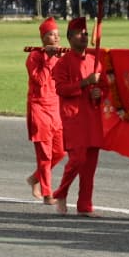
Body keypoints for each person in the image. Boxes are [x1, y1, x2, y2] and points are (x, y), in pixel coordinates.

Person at [52, 17, 108, 217]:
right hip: (73, 118)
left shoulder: (94, 61)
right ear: (69, 38)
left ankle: (85, 204)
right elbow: (61, 89)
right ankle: (61, 192)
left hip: (92, 117)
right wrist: (85, 83)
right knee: (78, 159)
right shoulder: (63, 62)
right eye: (79, 33)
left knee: (90, 165)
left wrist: (99, 93)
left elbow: (104, 88)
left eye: (85, 33)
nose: (83, 36)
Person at [24, 17, 65, 203]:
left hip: (56, 108)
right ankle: (47, 194)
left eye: (57, 34)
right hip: (39, 109)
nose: (56, 38)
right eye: (52, 35)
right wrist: (49, 59)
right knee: (45, 155)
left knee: (61, 151)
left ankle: (35, 178)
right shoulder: (34, 56)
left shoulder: (61, 55)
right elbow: (40, 81)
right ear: (43, 38)